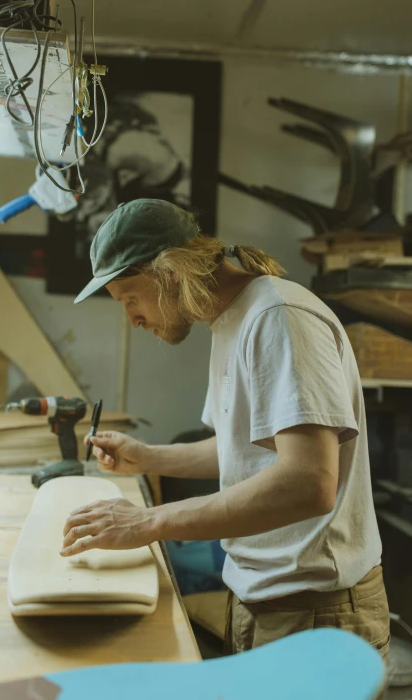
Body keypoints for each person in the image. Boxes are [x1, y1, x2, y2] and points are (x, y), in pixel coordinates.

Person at [60, 198, 390, 657]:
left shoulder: (278, 317)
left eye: (130, 299)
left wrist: (148, 521)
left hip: (315, 612)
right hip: (267, 598)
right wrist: (148, 456)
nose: (133, 319)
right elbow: (246, 451)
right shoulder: (231, 321)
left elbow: (309, 481)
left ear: (170, 272)